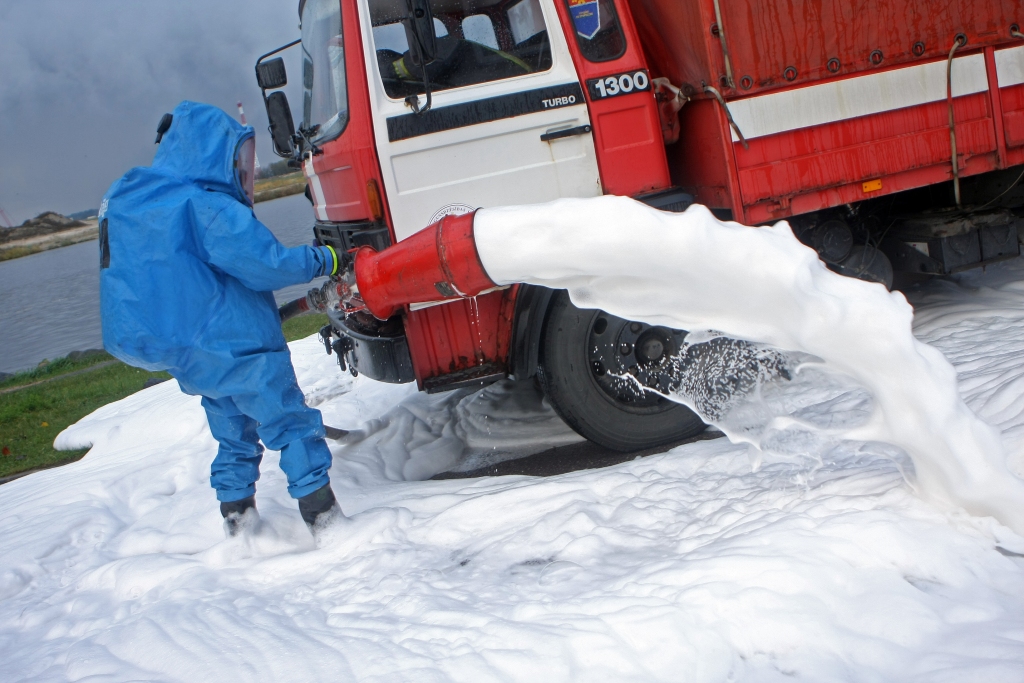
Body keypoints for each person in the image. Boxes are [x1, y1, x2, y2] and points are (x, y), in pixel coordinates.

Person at [99, 101, 344, 539]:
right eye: (240, 160)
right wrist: (324, 258)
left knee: (233, 435)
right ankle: (325, 521)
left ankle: (238, 525)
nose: (245, 173)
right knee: (289, 424)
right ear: (213, 153)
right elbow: (267, 263)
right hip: (242, 347)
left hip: (197, 359)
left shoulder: (156, 203)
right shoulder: (209, 207)